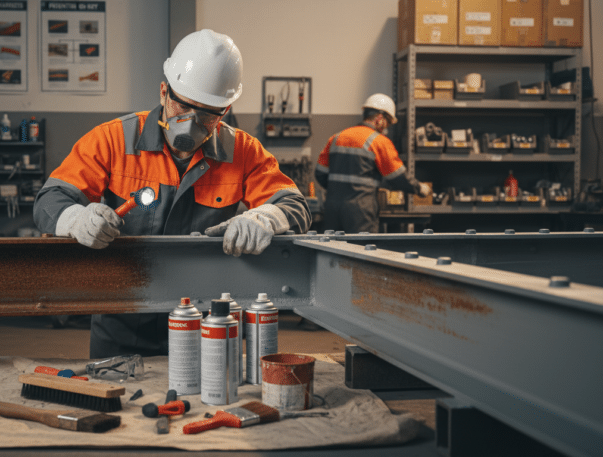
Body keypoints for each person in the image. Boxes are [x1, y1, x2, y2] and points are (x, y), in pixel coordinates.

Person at [33, 29, 311, 358]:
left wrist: (265, 218)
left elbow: (295, 205)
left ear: (225, 109)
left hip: (209, 320)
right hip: (124, 316)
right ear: (164, 91)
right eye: (184, 106)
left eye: (208, 113)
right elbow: (49, 201)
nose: (192, 122)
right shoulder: (112, 141)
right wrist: (77, 219)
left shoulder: (244, 151)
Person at [315, 94, 430, 233]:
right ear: (379, 118)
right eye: (387, 122)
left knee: (332, 251)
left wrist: (339, 191)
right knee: (362, 251)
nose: (386, 127)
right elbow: (398, 177)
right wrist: (419, 188)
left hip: (332, 209)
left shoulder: (336, 138)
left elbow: (320, 173)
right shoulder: (378, 141)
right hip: (360, 210)